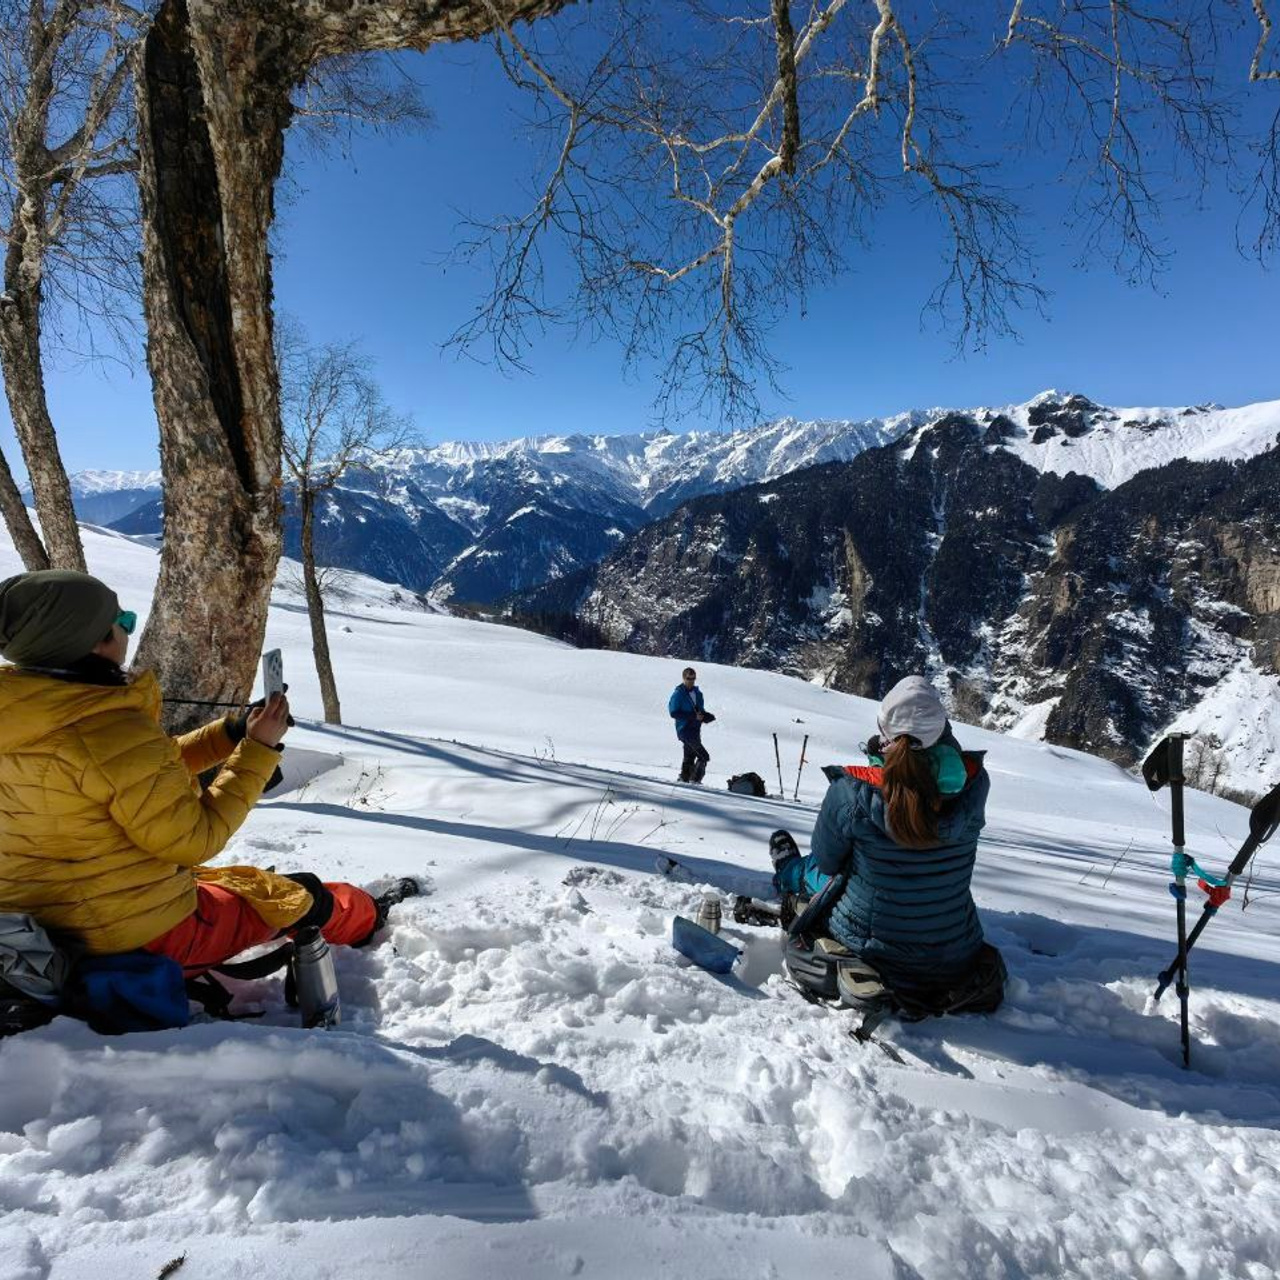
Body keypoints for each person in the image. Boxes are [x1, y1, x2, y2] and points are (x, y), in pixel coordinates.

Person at [0, 570, 417, 977]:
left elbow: (135, 773)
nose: (128, 628)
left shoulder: (25, 712)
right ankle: (367, 919)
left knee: (236, 882)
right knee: (295, 894)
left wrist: (231, 734)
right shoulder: (108, 732)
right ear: (96, 643)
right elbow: (196, 839)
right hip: (135, 936)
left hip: (39, 922)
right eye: (123, 620)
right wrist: (259, 752)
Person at [770, 675, 989, 997]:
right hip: (955, 952)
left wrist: (878, 761)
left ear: (885, 735)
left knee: (816, 869)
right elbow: (920, 786)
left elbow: (829, 862)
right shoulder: (975, 784)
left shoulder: (851, 792)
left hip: (870, 947)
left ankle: (787, 872)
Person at [668, 666, 714, 783]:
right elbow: (673, 712)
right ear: (683, 678)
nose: (691, 681)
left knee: (689, 756)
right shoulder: (678, 694)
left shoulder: (698, 694)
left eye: (693, 678)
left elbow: (699, 710)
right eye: (688, 678)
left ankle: (684, 778)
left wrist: (706, 716)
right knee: (703, 756)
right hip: (684, 729)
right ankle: (695, 780)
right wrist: (694, 716)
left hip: (695, 729)